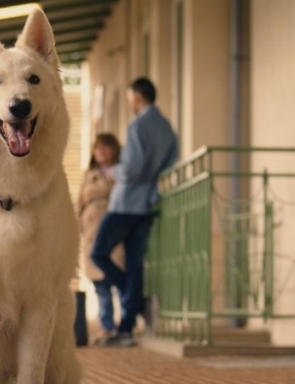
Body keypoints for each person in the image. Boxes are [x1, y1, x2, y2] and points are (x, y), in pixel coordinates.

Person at [91, 77, 178, 347]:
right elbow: (170, 164)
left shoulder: (138, 124)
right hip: (148, 204)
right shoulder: (167, 129)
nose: (130, 105)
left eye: (131, 100)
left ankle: (135, 302)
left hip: (126, 203)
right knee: (134, 265)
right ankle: (127, 326)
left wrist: (113, 171)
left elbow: (130, 169)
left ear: (138, 97)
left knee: (98, 254)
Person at [76, 133, 126, 343]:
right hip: (91, 231)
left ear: (115, 150)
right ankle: (106, 326)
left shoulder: (122, 171)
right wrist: (81, 227)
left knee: (118, 278)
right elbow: (79, 201)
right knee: (100, 284)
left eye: (106, 148)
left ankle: (125, 325)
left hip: (115, 230)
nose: (102, 152)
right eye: (98, 149)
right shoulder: (89, 174)